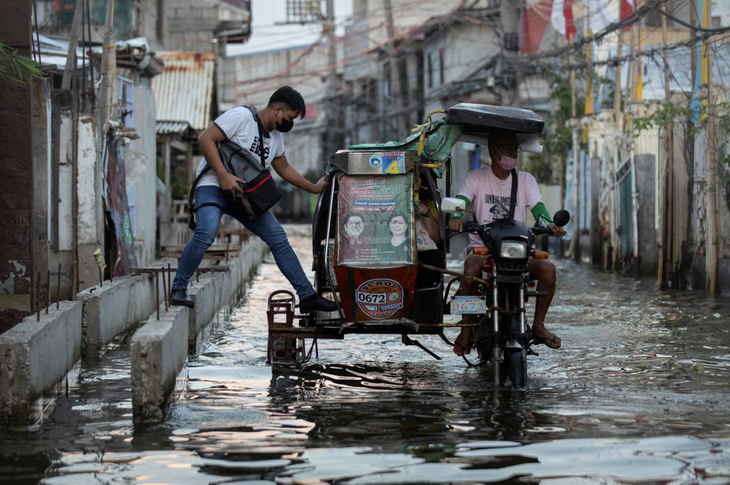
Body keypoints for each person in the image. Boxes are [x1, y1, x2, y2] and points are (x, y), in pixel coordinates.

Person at [171, 86, 337, 313]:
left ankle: (307, 296)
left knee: (278, 238)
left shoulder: (276, 137)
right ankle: (179, 288)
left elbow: (284, 168)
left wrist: (314, 188)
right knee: (206, 230)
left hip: (243, 195)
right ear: (278, 110)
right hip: (213, 185)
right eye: (289, 117)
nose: (290, 124)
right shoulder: (241, 117)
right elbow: (206, 139)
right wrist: (223, 175)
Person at [448, 130, 566, 355]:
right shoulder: (476, 177)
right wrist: (455, 216)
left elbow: (538, 208)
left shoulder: (526, 180)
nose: (514, 152)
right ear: (494, 150)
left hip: (517, 252)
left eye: (516, 148)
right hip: (483, 251)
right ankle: (465, 329)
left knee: (548, 270)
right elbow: (462, 199)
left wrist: (549, 224)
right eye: (509, 147)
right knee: (470, 270)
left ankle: (538, 325)